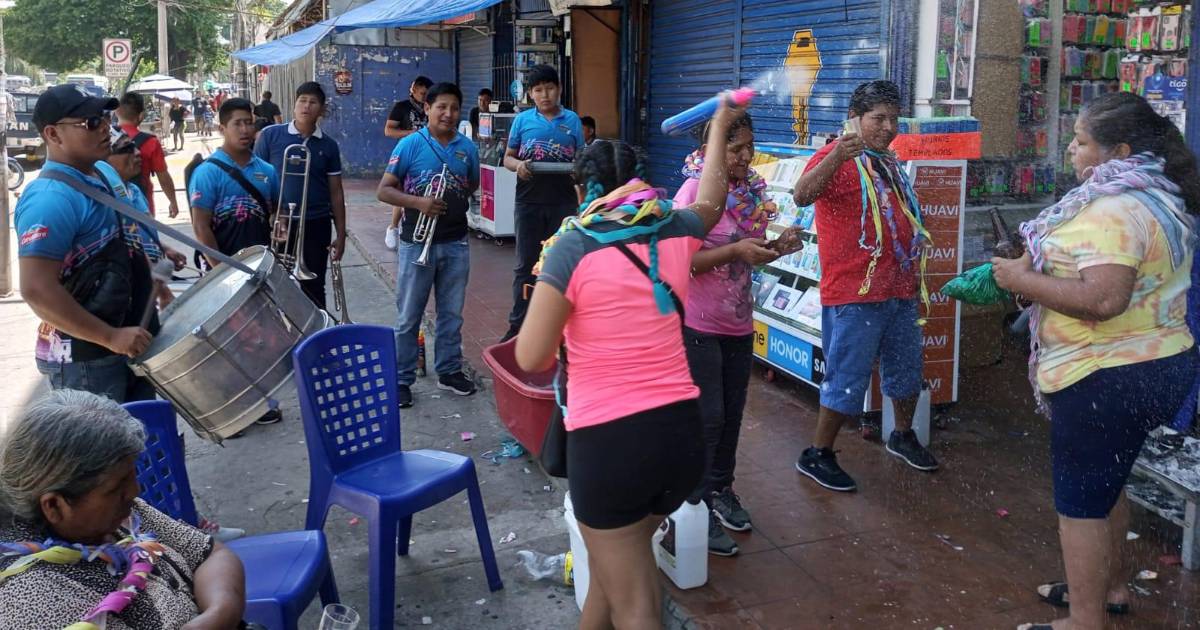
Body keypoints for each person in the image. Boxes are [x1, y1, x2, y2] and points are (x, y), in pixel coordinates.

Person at [514, 99, 745, 629]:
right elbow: (712, 200)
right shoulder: (674, 229)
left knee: (636, 602)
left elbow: (531, 356)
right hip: (680, 441)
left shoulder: (571, 247)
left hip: (612, 447)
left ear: (581, 190)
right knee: (612, 569)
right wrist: (719, 127)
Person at [989, 93, 1200, 630]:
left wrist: (1019, 279)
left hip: (1106, 374)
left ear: (1119, 151)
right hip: (1158, 363)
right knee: (1109, 481)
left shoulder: (1114, 209)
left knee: (1081, 501)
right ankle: (1110, 588)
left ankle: (1085, 621)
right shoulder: (1158, 195)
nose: (1070, 149)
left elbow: (1105, 299)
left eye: (1081, 141)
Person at [790, 80, 938, 493]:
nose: (889, 127)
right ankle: (818, 453)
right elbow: (801, 195)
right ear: (854, 119)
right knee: (846, 377)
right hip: (855, 292)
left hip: (899, 288)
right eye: (879, 118)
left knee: (907, 370)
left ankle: (902, 434)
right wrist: (838, 153)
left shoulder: (887, 161)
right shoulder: (836, 155)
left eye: (894, 119)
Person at [0, 389, 248, 629]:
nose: (135, 491)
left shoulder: (115, 515)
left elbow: (208, 552)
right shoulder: (35, 601)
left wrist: (219, 613)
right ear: (54, 505)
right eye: (116, 486)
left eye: (131, 475)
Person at [673, 114, 801, 557]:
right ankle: (696, 506)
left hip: (739, 323)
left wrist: (777, 249)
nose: (747, 156)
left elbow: (749, 257)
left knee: (730, 416)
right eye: (735, 149)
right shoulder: (693, 193)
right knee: (707, 419)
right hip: (698, 324)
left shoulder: (749, 193)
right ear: (711, 152)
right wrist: (735, 250)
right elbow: (680, 261)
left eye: (750, 146)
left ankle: (721, 490)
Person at [15, 84, 157, 403]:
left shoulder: (101, 172)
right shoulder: (50, 199)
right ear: (53, 134)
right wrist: (110, 337)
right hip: (86, 360)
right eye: (91, 123)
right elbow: (36, 289)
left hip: (128, 340)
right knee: (104, 437)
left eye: (105, 118)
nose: (106, 128)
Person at [377, 82, 480, 408]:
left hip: (456, 242)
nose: (448, 113)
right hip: (416, 242)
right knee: (409, 315)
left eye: (454, 108)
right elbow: (384, 190)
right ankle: (401, 378)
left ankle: (448, 370)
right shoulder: (409, 144)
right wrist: (419, 202)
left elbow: (471, 185)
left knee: (452, 314)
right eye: (441, 107)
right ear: (427, 109)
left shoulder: (468, 148)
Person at [501, 65, 585, 342]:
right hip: (529, 202)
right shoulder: (522, 121)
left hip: (563, 204)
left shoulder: (572, 120)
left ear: (559, 89)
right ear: (530, 94)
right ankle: (518, 326)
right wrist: (518, 166)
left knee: (560, 263)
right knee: (525, 265)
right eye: (538, 90)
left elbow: (582, 159)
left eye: (549, 88)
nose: (545, 95)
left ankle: (559, 327)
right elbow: (507, 158)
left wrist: (579, 173)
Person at [254, 82, 347, 310]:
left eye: (313, 102)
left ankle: (317, 328)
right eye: (302, 100)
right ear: (294, 105)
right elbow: (257, 181)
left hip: (316, 222)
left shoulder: (329, 145)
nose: (306, 106)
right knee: (274, 284)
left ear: (322, 109)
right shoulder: (270, 136)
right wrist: (273, 216)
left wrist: (341, 233)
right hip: (279, 223)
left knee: (314, 285)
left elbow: (336, 191)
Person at [99, 128, 188, 310]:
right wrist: (163, 292)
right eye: (126, 148)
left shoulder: (134, 191)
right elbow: (129, 248)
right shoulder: (105, 200)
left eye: (135, 146)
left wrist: (163, 248)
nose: (138, 152)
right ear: (104, 159)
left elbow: (137, 234)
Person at [189, 98, 278, 271]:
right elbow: (200, 227)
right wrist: (221, 271)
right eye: (237, 124)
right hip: (222, 269)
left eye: (249, 123)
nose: (245, 130)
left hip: (262, 267)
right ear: (222, 129)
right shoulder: (206, 172)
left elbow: (277, 211)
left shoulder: (268, 170)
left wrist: (282, 225)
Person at [384, 75, 433, 250]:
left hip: (428, 154)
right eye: (422, 93)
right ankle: (393, 227)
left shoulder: (431, 107)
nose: (424, 97)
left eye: (427, 94)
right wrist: (410, 134)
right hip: (407, 154)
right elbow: (388, 130)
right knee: (402, 192)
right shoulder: (401, 107)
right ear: (413, 90)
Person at [115, 92, 180, 219]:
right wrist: (173, 201)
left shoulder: (105, 138)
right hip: (143, 207)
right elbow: (163, 177)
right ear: (141, 116)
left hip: (113, 206)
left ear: (116, 112)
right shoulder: (151, 142)